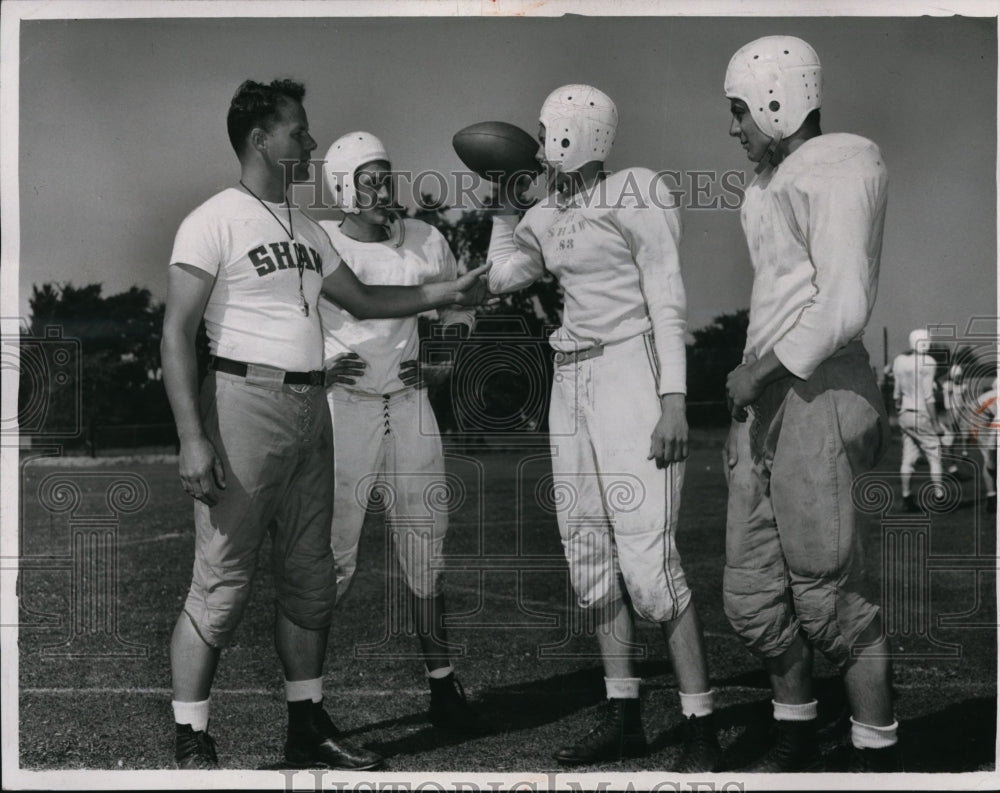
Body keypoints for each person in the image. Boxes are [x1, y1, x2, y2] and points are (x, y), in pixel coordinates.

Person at [161, 79, 488, 770]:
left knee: (312, 577)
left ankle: (306, 723)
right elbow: (176, 332)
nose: (310, 142)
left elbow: (367, 299)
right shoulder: (212, 219)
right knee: (221, 580)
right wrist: (192, 435)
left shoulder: (306, 228)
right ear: (260, 139)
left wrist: (446, 291)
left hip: (315, 412)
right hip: (245, 401)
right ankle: (191, 733)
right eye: (299, 132)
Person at [485, 84, 720, 771]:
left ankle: (700, 721)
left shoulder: (636, 191)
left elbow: (667, 297)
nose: (535, 140)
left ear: (571, 131)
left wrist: (674, 399)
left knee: (650, 564)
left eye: (543, 129)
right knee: (588, 550)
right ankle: (624, 716)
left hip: (630, 372)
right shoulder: (547, 212)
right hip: (571, 378)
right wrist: (504, 203)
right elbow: (503, 277)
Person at [722, 36, 900, 772]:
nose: (734, 128)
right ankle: (794, 725)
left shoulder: (840, 162)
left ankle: (874, 752)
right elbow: (782, 299)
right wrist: (748, 390)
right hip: (769, 393)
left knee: (829, 592)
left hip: (819, 389)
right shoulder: (770, 182)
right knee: (754, 594)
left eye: (739, 111)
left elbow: (844, 305)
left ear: (775, 97)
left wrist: (759, 371)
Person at [317, 131, 479, 730]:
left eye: (386, 174)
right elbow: (289, 319)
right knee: (332, 559)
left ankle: (443, 687)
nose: (384, 187)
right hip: (345, 408)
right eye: (369, 177)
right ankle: (310, 703)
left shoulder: (427, 240)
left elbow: (459, 309)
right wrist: (318, 366)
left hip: (410, 406)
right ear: (342, 188)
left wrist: (446, 361)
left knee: (426, 553)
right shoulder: (320, 241)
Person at [892, 329, 945, 512]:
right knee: (934, 454)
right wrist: (936, 423)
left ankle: (907, 497)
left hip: (904, 412)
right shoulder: (928, 362)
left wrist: (899, 411)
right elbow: (928, 396)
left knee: (908, 457)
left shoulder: (899, 361)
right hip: (921, 412)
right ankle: (939, 496)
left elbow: (896, 395)